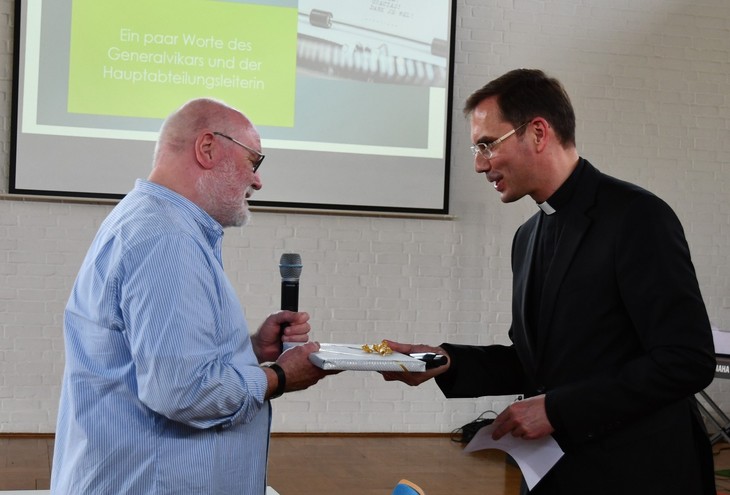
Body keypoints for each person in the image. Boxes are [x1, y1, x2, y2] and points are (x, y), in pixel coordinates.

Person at [382, 69, 717, 494]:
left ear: (538, 132)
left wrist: (558, 410)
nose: (479, 163)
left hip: (638, 471)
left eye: (487, 144)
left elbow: (686, 359)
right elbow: (536, 363)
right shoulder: (527, 236)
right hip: (554, 473)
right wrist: (444, 360)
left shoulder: (637, 217)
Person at [51, 98, 331, 494]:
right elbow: (182, 392)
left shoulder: (146, 219)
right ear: (207, 149)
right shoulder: (167, 240)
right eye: (254, 162)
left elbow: (159, 359)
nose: (257, 181)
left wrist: (249, 349)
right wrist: (282, 376)